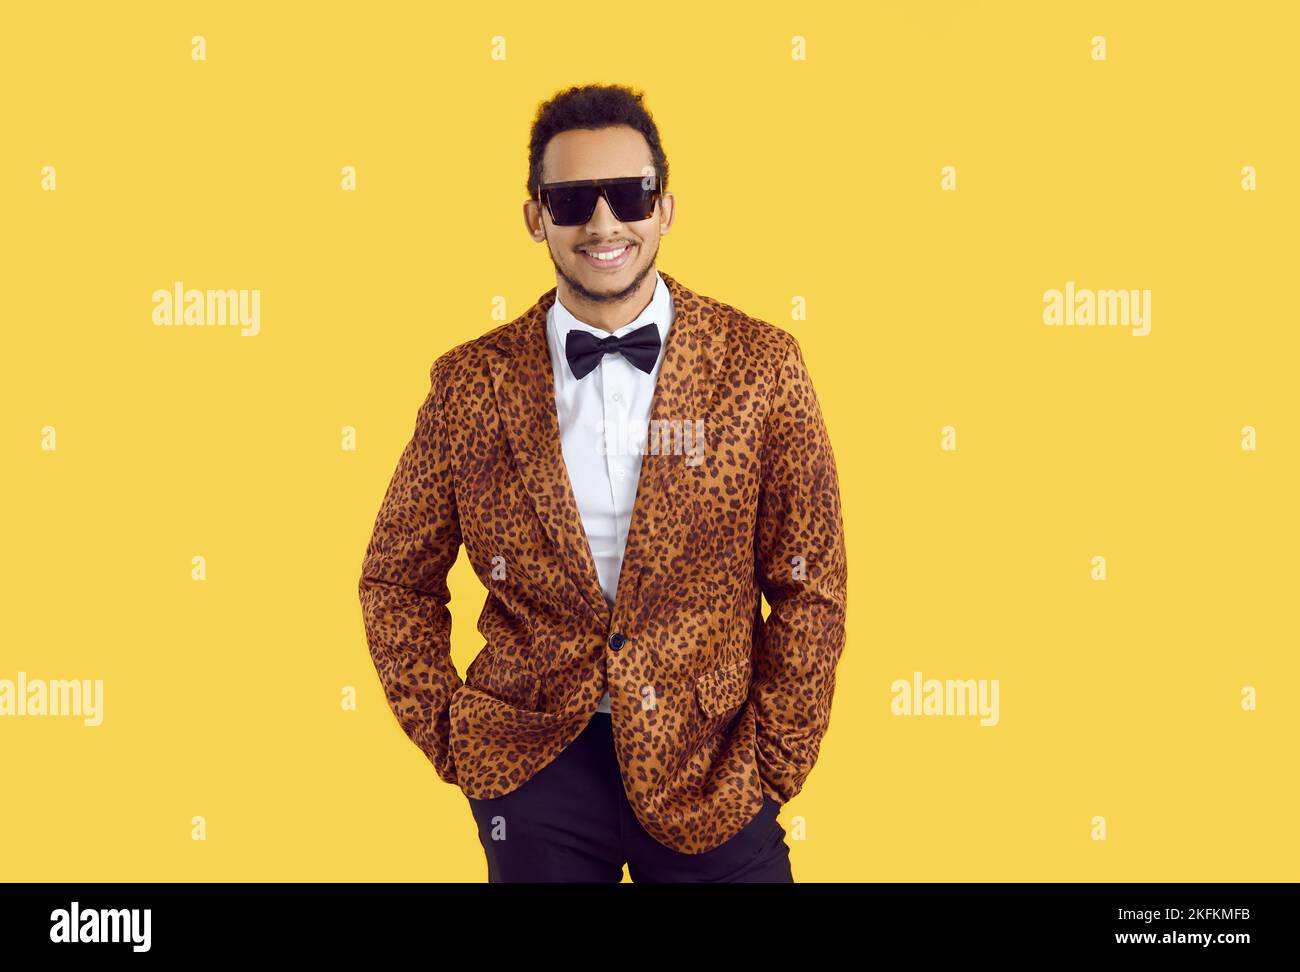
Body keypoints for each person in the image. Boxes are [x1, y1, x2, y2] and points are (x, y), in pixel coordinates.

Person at [358, 83, 847, 882]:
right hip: (535, 769)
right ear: (535, 216)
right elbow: (393, 579)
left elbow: (809, 583)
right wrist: (454, 735)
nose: (604, 222)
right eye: (574, 199)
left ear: (665, 208)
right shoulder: (469, 384)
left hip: (715, 765)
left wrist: (774, 762)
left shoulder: (763, 367)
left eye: (628, 195)